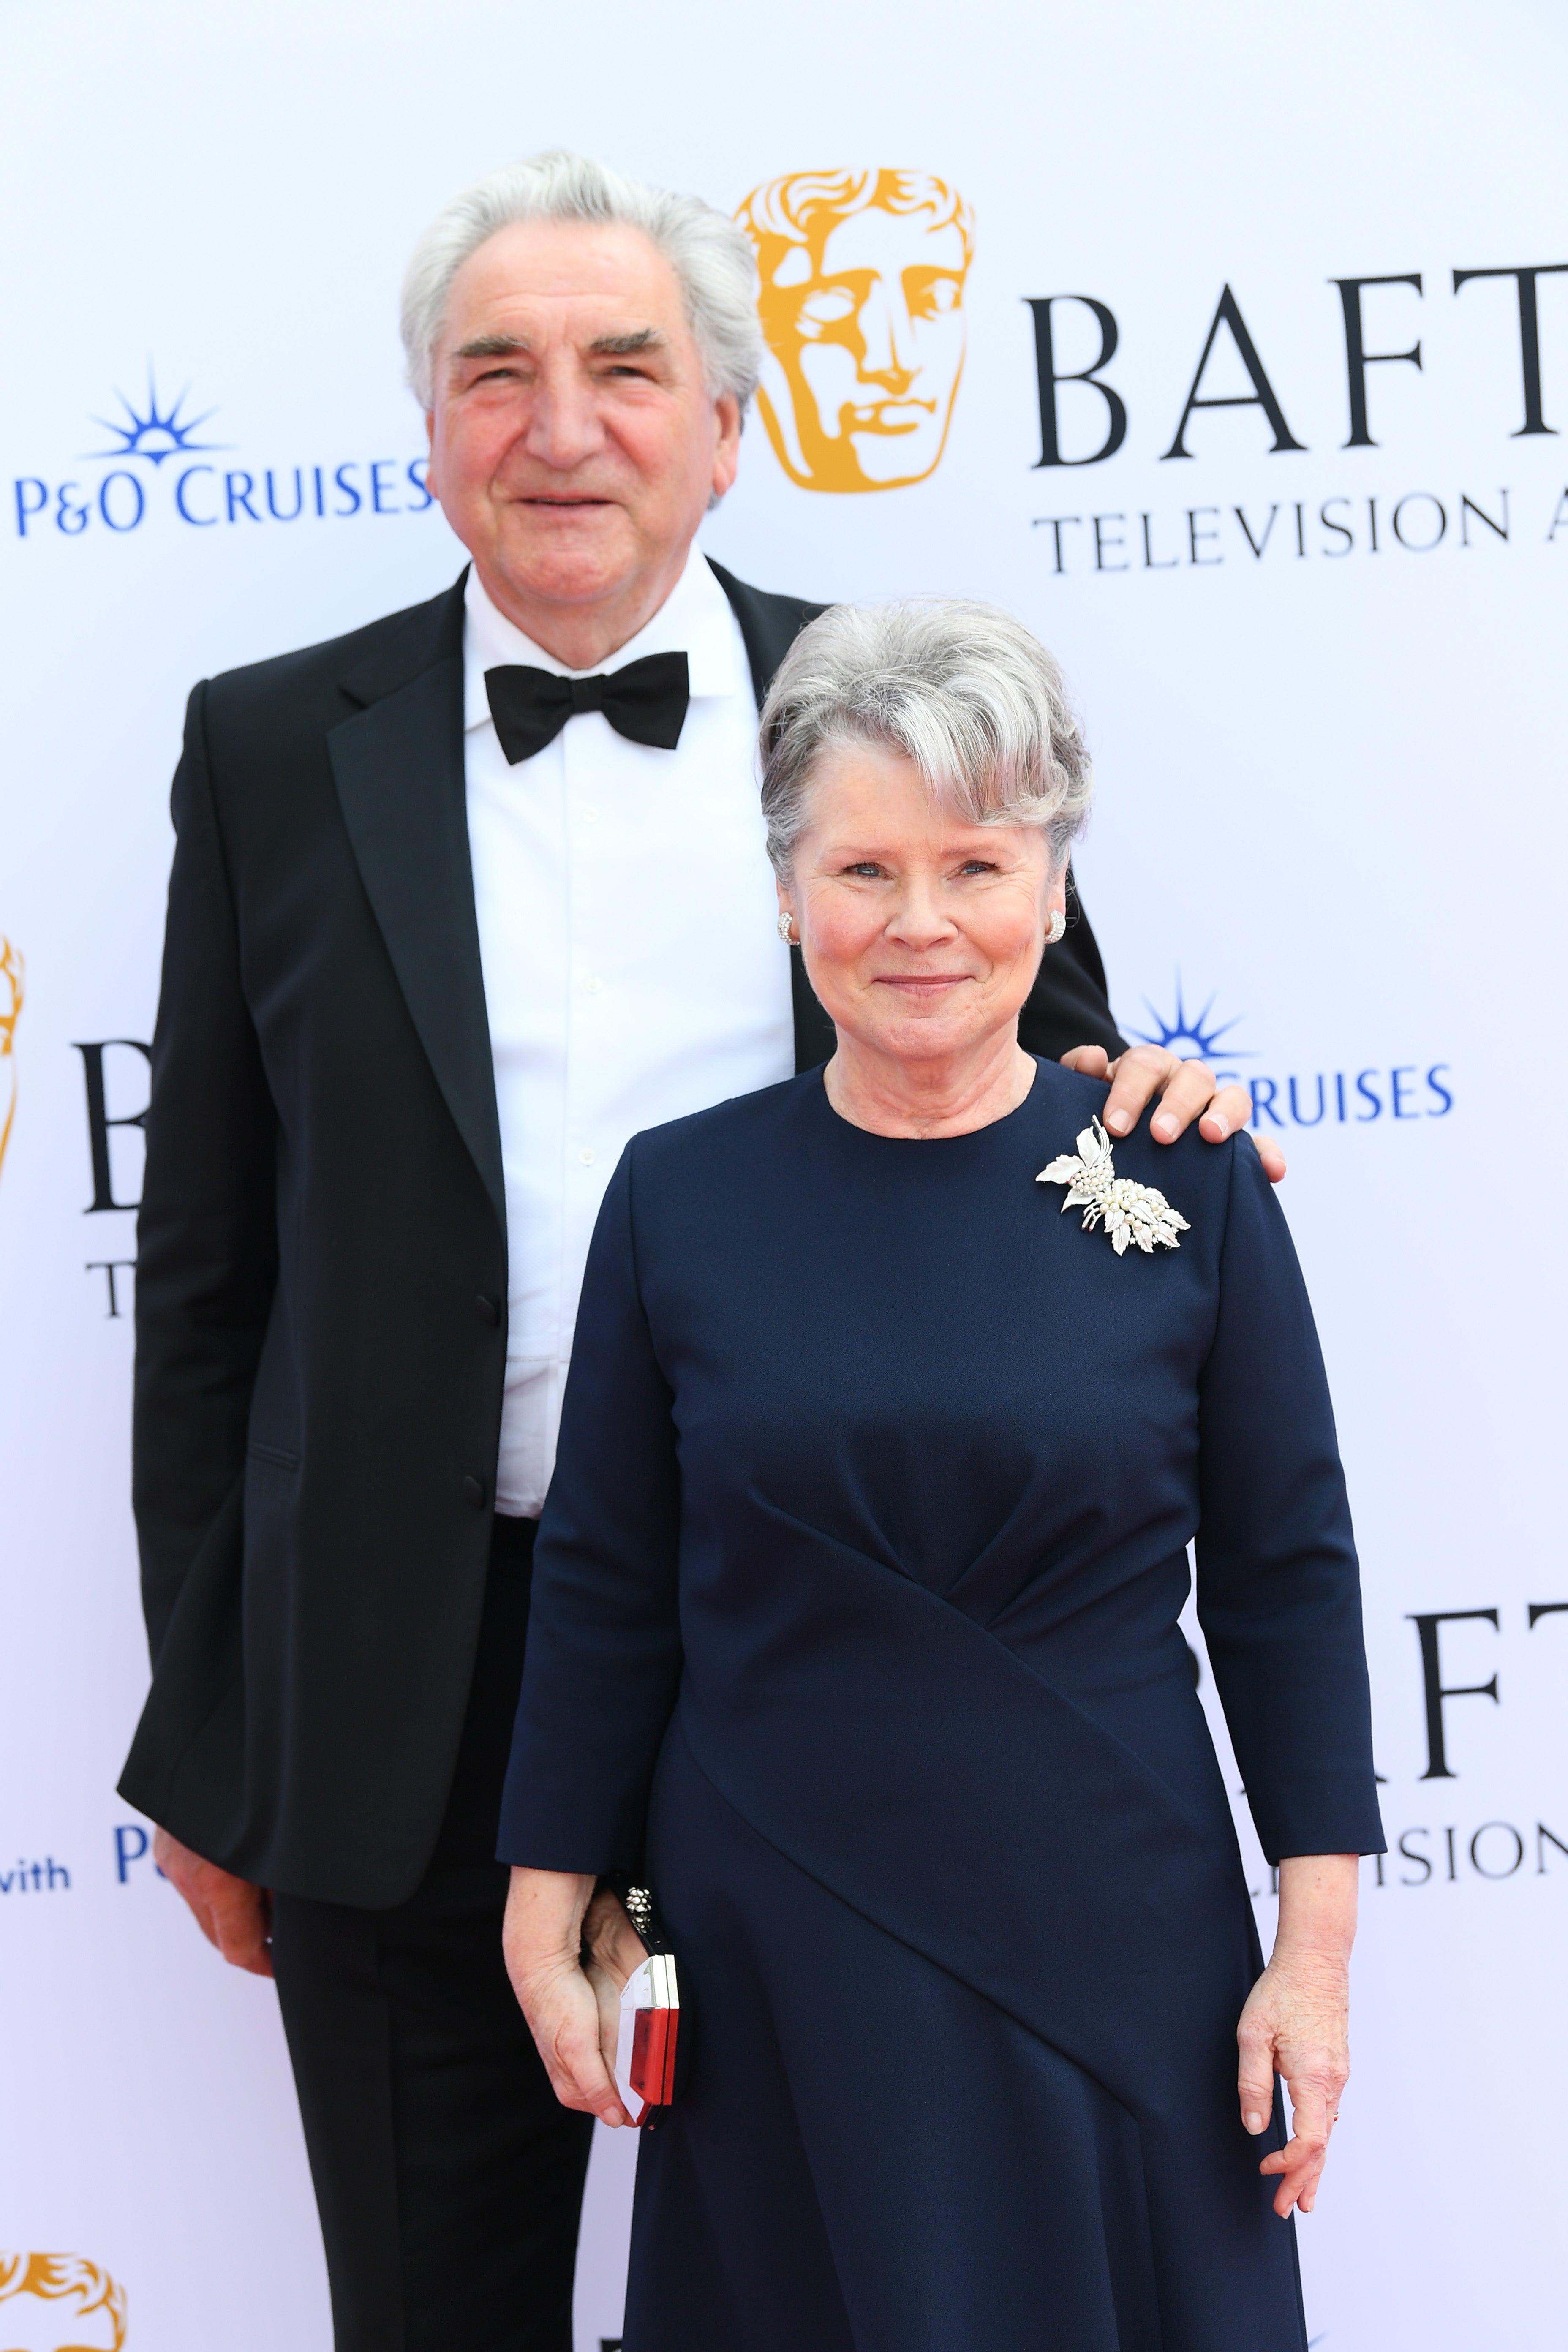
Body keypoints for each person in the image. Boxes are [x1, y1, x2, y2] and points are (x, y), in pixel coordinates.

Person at [120, 152, 1275, 2350]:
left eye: (626, 366)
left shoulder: (883, 710)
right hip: (406, 1693)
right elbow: (207, 1285)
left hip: (820, 1660)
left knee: (855, 2291)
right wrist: (212, 1725)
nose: (564, 427)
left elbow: (1061, 1099)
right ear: (432, 430)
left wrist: (1171, 1105)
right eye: (499, 372)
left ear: (728, 428)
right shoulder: (272, 753)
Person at [498, 599, 1383, 2352]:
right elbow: (605, 1573)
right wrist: (545, 1908)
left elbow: (1288, 1575)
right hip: (773, 1932)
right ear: (781, 889)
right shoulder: (675, 1201)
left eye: (974, 867)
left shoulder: (1186, 1183)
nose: (918, 926)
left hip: (1115, 1924)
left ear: (1051, 891)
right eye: (861, 870)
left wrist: (1313, 1954)